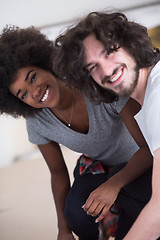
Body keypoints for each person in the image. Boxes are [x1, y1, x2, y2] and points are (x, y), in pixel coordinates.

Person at [0, 25, 153, 240]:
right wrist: (63, 230)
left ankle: (120, 218)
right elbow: (58, 173)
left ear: (46, 65)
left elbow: (148, 148)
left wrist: (113, 184)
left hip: (142, 163)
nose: (34, 92)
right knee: (76, 214)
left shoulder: (99, 85)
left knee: (143, 221)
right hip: (101, 166)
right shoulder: (37, 122)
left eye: (33, 78)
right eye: (23, 94)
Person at [54, 11, 160, 239]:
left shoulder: (157, 97)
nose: (106, 70)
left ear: (131, 43)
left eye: (110, 51)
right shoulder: (145, 96)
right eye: (92, 67)